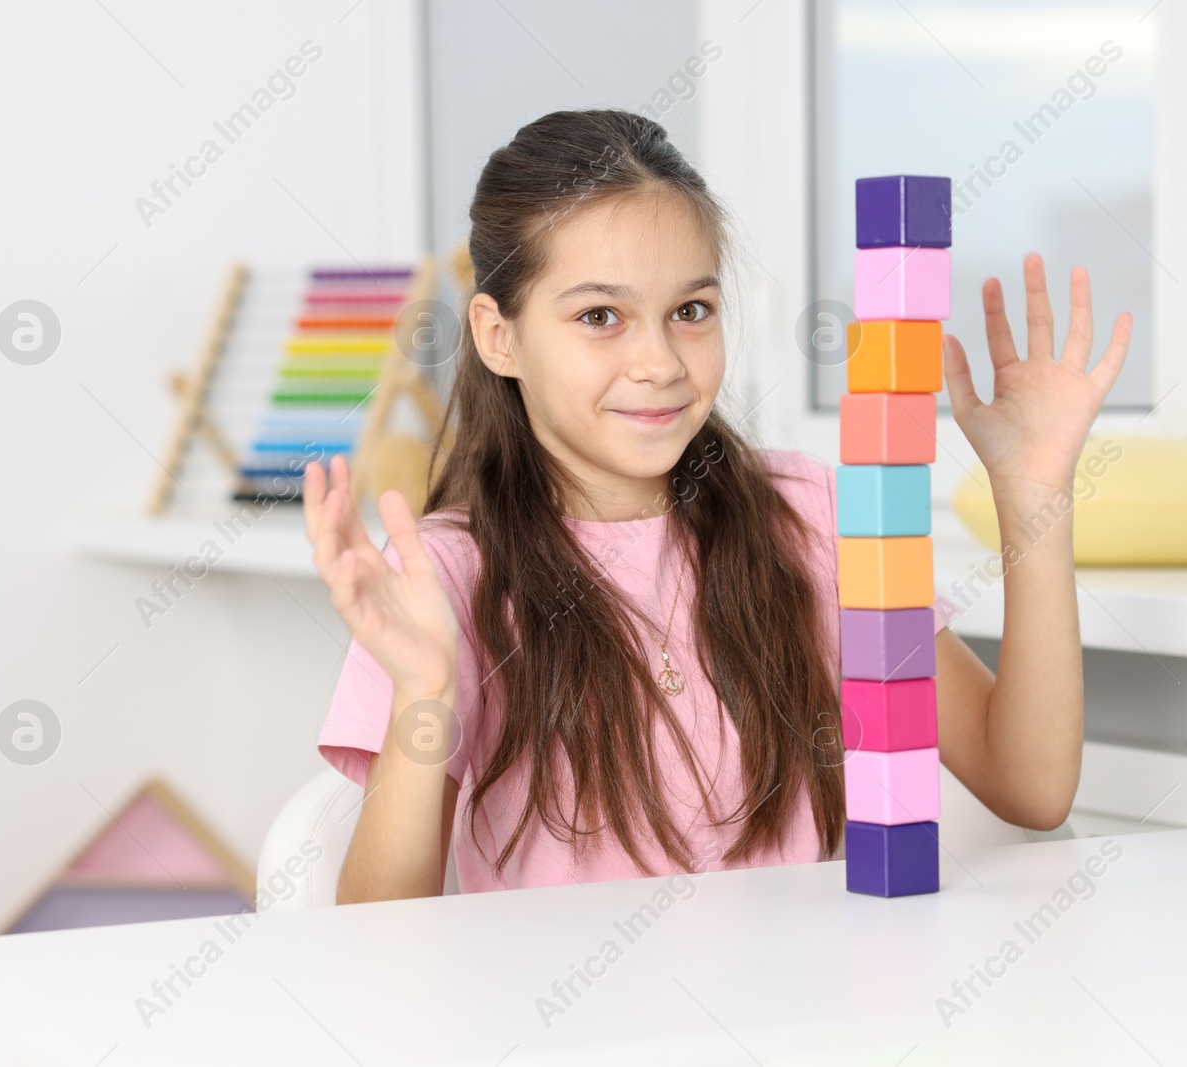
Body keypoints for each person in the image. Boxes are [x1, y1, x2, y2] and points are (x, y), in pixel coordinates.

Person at [304, 108, 1130, 903]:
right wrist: (422, 691)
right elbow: (383, 939)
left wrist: (1035, 494)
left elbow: (1029, 785)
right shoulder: (444, 577)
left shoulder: (806, 517)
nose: (659, 360)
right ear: (499, 336)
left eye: (690, 311)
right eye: (601, 316)